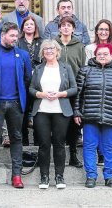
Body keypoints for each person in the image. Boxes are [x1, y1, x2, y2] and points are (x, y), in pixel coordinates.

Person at [74, 43, 112, 188]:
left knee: (110, 147)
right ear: (95, 55)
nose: (102, 56)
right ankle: (91, 176)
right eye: (99, 53)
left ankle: (110, 177)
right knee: (89, 146)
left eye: (105, 54)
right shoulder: (85, 70)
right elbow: (78, 95)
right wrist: (77, 112)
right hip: (90, 116)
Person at [0, 22, 32, 189]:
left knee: (16, 138)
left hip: (16, 103)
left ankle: (17, 176)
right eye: (11, 36)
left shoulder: (23, 55)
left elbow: (27, 78)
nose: (15, 39)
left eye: (16, 36)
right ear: (2, 35)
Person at [29, 39, 78, 189]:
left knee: (59, 144)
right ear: (42, 53)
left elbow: (74, 88)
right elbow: (31, 89)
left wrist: (61, 94)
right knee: (43, 145)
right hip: (42, 111)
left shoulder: (66, 67)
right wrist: (41, 94)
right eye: (46, 49)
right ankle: (44, 177)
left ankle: (59, 176)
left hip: (61, 111)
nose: (49, 51)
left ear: (57, 51)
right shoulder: (38, 69)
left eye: (52, 49)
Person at [55, 16, 86, 168]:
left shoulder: (79, 46)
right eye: (63, 25)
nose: (66, 28)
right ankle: (58, 156)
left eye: (69, 25)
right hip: (56, 90)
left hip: (74, 90)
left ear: (74, 29)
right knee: (59, 124)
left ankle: (73, 155)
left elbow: (82, 68)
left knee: (74, 125)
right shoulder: (53, 44)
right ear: (59, 28)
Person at [18, 15, 43, 146]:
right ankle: (24, 141)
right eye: (26, 24)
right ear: (22, 27)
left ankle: (38, 140)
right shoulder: (18, 42)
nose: (29, 26)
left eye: (31, 24)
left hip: (39, 82)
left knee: (37, 111)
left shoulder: (42, 41)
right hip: (23, 81)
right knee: (23, 110)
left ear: (35, 27)